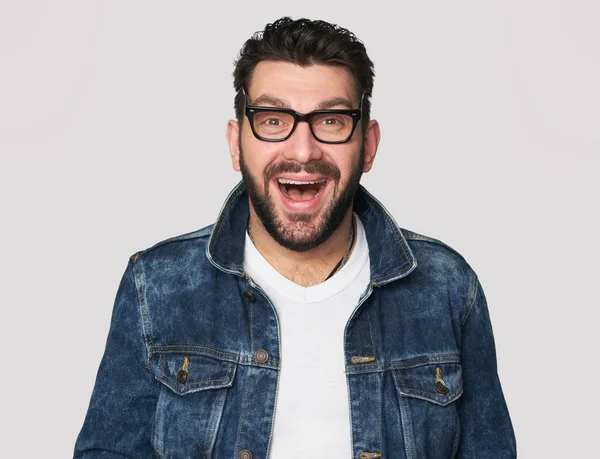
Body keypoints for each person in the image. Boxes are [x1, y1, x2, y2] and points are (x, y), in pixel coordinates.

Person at [74, 16, 516, 459]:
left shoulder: (447, 288)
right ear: (236, 143)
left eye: (330, 120)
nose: (303, 151)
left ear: (368, 144)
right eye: (272, 120)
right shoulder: (156, 286)